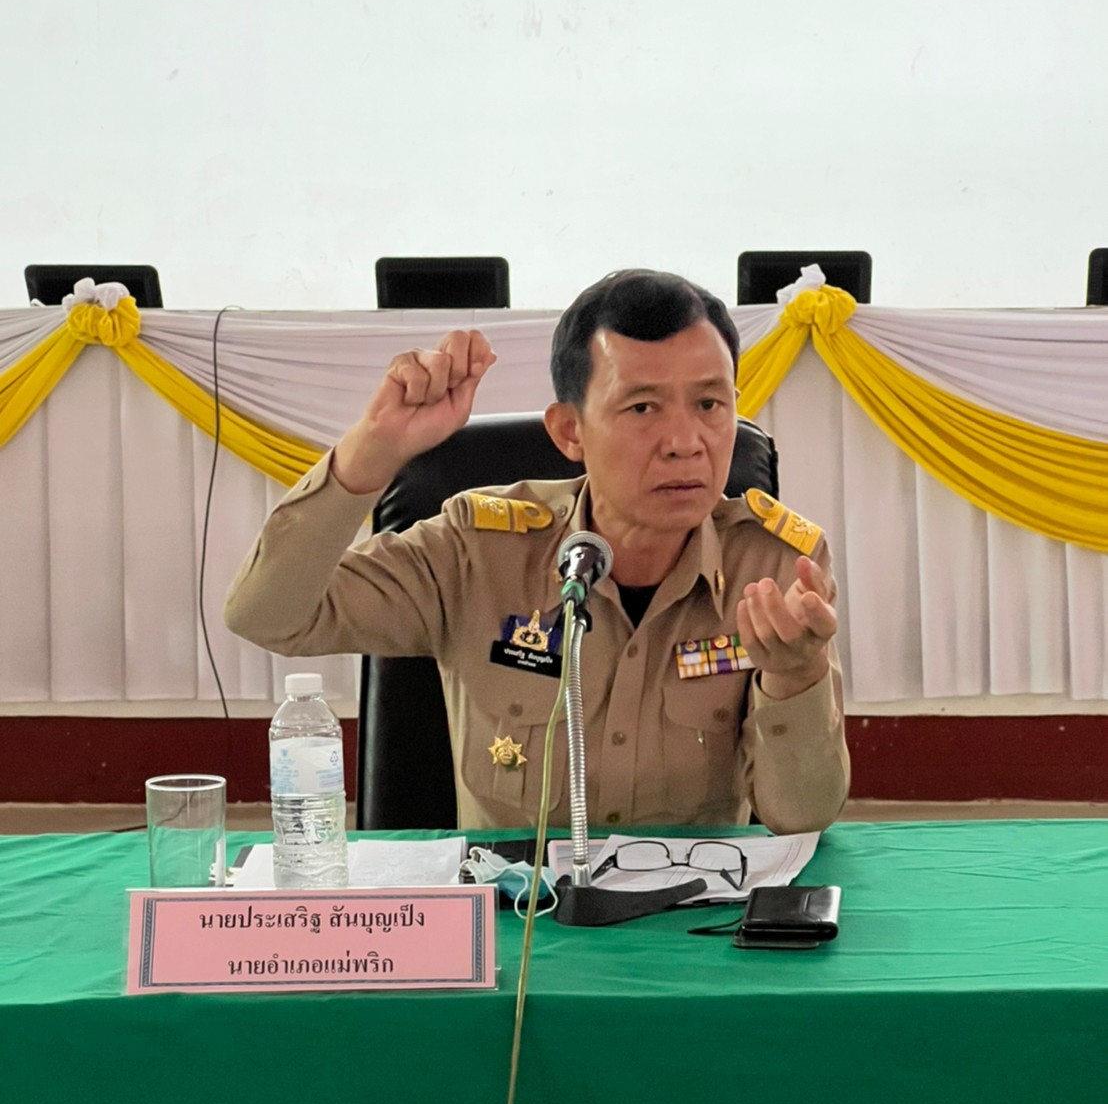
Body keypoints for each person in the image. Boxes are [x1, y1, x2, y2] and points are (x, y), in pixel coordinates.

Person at [224, 269, 849, 833]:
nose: (686, 442)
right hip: (516, 909)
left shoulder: (773, 569)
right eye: (643, 407)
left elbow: (802, 818)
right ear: (570, 431)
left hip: (692, 909)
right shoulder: (477, 553)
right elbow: (266, 615)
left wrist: (796, 676)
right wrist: (370, 454)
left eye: (710, 404)